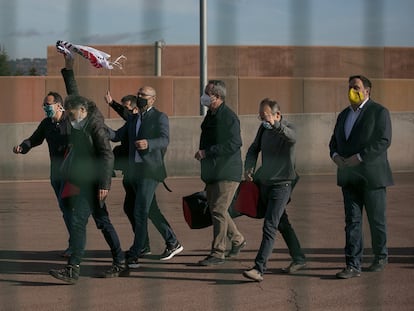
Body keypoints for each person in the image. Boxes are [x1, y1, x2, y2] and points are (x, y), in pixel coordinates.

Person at [12, 55, 79, 258]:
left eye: (48, 105)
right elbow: (34, 139)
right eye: (44, 105)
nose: (45, 108)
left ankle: (77, 245)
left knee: (72, 209)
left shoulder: (72, 120)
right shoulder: (46, 123)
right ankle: (74, 242)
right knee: (65, 210)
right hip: (56, 174)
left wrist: (69, 66)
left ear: (59, 106)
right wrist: (22, 147)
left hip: (73, 173)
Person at [110, 86, 183, 268]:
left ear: (153, 99)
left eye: (143, 95)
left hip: (150, 172)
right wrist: (96, 125)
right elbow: (116, 135)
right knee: (151, 210)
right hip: (135, 172)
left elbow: (165, 139)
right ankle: (172, 241)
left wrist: (149, 143)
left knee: (140, 211)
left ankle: (136, 252)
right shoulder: (134, 118)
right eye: (139, 94)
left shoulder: (160, 117)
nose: (140, 97)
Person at [329, 75, 393, 279]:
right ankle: (353, 264)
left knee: (376, 220)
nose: (351, 91)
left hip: (372, 177)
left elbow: (383, 140)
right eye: (349, 87)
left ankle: (380, 256)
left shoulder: (379, 112)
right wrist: (335, 156)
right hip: (349, 177)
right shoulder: (343, 115)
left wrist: (359, 157)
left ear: (367, 90)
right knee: (352, 221)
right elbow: (333, 142)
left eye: (356, 87)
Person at [242, 98, 302, 282]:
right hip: (265, 184)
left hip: (282, 185)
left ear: (278, 115)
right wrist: (249, 167)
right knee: (282, 223)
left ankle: (259, 268)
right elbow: (253, 149)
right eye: (260, 117)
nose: (263, 121)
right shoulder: (263, 129)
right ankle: (299, 258)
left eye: (266, 116)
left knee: (270, 225)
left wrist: (275, 125)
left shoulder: (288, 128)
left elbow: (293, 138)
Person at [195, 80, 246, 266]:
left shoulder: (228, 117)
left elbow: (235, 143)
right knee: (217, 209)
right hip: (212, 171)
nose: (204, 96)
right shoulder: (211, 115)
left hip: (227, 171)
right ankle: (238, 240)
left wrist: (207, 152)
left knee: (218, 209)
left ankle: (218, 252)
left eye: (207, 93)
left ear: (217, 96)